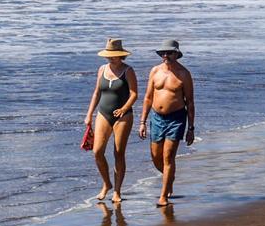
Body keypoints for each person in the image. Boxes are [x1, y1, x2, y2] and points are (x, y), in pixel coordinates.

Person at [138, 40, 194, 208]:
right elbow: (148, 98)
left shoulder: (184, 74)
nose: (165, 55)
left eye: (169, 53)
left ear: (176, 54)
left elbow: (190, 102)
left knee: (168, 157)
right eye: (163, 53)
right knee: (156, 157)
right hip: (156, 118)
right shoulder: (155, 71)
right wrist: (142, 122)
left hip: (176, 119)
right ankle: (169, 177)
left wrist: (191, 128)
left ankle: (163, 197)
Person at [83, 38, 138, 203]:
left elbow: (134, 94)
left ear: (121, 55)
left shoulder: (128, 71)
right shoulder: (102, 69)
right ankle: (106, 184)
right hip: (103, 113)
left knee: (118, 153)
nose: (110, 58)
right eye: (109, 55)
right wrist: (89, 114)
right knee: (97, 151)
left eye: (114, 55)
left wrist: (123, 109)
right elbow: (96, 93)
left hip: (123, 116)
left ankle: (117, 191)